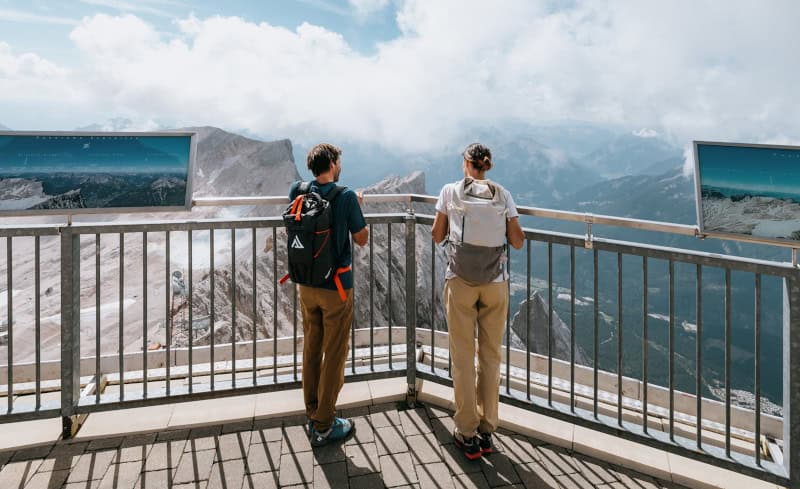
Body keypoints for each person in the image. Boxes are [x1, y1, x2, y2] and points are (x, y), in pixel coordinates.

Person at [431, 143, 525, 459]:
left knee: (462, 356)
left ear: (466, 164)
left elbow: (437, 234)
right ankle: (487, 430)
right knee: (490, 357)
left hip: (460, 282)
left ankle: (466, 431)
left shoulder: (450, 191)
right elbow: (517, 241)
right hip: (495, 284)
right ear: (487, 165)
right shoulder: (503, 194)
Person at [288, 143, 368, 447]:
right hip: (336, 288)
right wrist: (358, 206)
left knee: (312, 347)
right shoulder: (345, 196)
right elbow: (361, 238)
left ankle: (312, 411)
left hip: (306, 283)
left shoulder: (297, 190)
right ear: (333, 164)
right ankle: (324, 424)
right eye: (339, 161)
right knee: (334, 353)